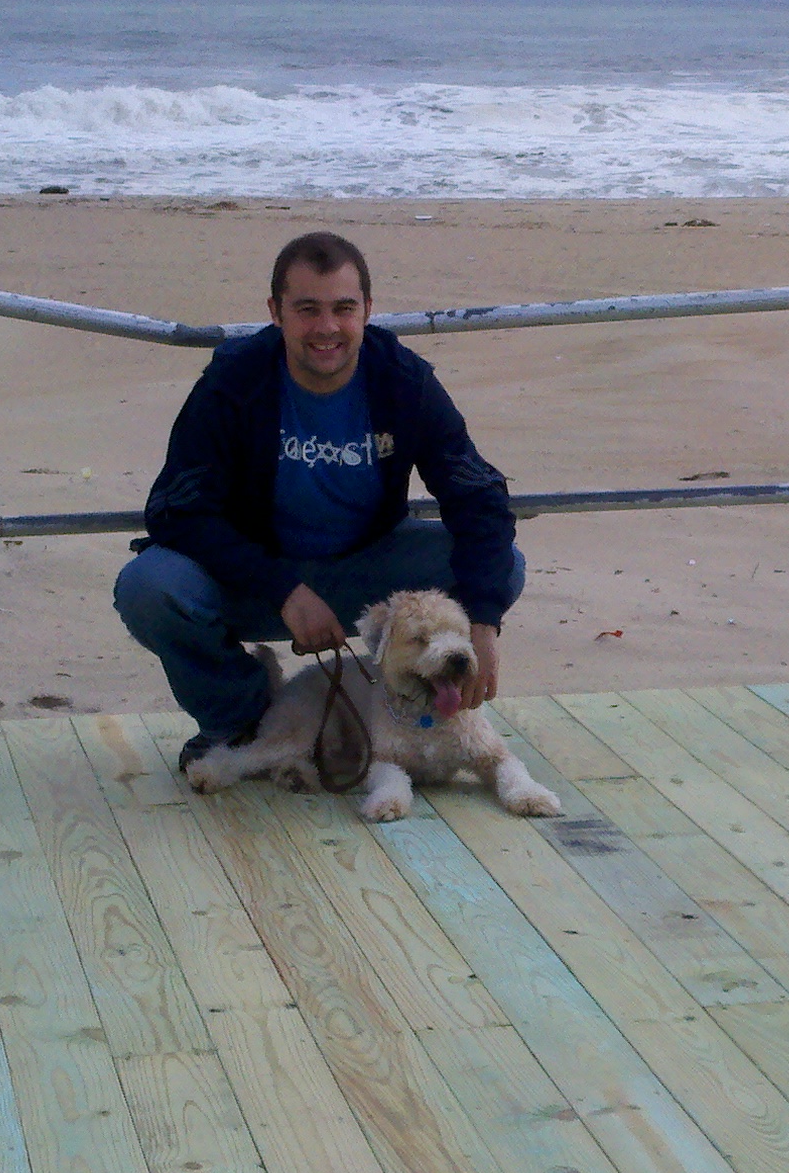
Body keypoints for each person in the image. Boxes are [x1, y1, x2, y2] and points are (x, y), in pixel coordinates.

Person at [116, 231, 521, 770]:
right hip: (255, 578)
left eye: (343, 309)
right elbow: (175, 510)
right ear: (275, 312)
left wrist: (483, 623)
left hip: (366, 571)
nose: (327, 327)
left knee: (502, 566)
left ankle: (410, 708)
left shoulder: (403, 381)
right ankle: (239, 719)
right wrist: (282, 587)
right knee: (148, 588)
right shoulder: (234, 381)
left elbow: (480, 500)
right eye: (307, 309)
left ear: (368, 310)